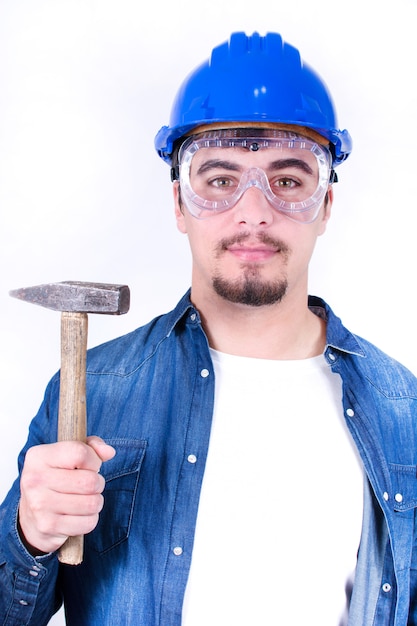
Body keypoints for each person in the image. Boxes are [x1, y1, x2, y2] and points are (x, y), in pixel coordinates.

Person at [1, 30, 416, 626]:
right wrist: (28, 534)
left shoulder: (403, 409)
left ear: (325, 205)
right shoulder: (95, 388)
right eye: (219, 179)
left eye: (289, 181)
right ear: (178, 203)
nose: (253, 209)